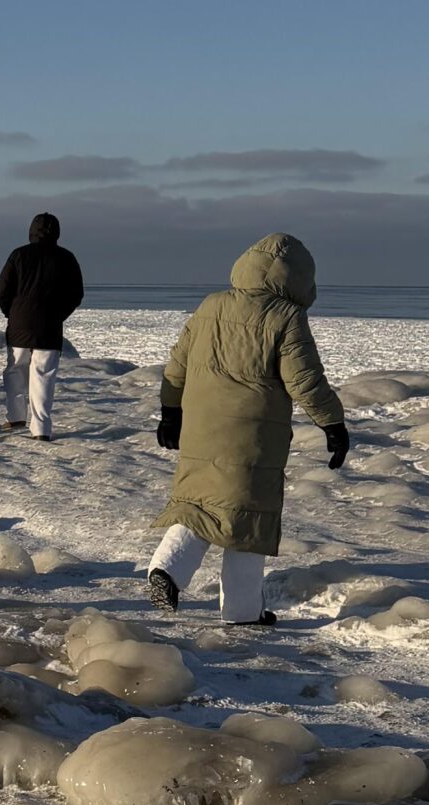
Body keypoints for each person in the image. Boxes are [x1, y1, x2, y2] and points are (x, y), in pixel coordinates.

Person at [147, 233, 348, 627]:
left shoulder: (211, 306)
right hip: (253, 437)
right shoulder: (286, 317)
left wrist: (170, 412)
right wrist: (333, 423)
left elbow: (177, 365)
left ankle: (166, 570)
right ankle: (241, 611)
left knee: (200, 505)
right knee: (249, 519)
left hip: (201, 428)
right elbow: (305, 380)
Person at [0, 212, 83, 440]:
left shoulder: (19, 255)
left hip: (19, 324)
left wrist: (11, 313)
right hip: (49, 327)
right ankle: (41, 428)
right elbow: (76, 294)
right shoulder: (66, 258)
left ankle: (15, 417)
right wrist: (59, 315)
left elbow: (2, 289)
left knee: (15, 369)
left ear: (32, 230)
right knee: (43, 374)